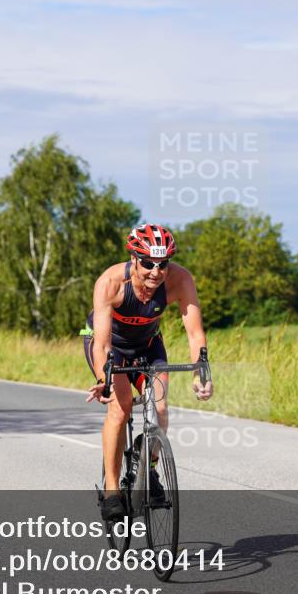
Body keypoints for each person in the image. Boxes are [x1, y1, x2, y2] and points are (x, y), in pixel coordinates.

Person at [82, 223, 213, 520]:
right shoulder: (110, 282)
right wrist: (105, 381)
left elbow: (195, 334)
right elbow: (101, 345)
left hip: (148, 345)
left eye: (163, 263)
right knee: (121, 407)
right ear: (133, 258)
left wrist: (200, 375)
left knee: (161, 408)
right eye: (148, 263)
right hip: (109, 346)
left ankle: (148, 467)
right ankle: (112, 490)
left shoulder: (180, 279)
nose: (156, 272)